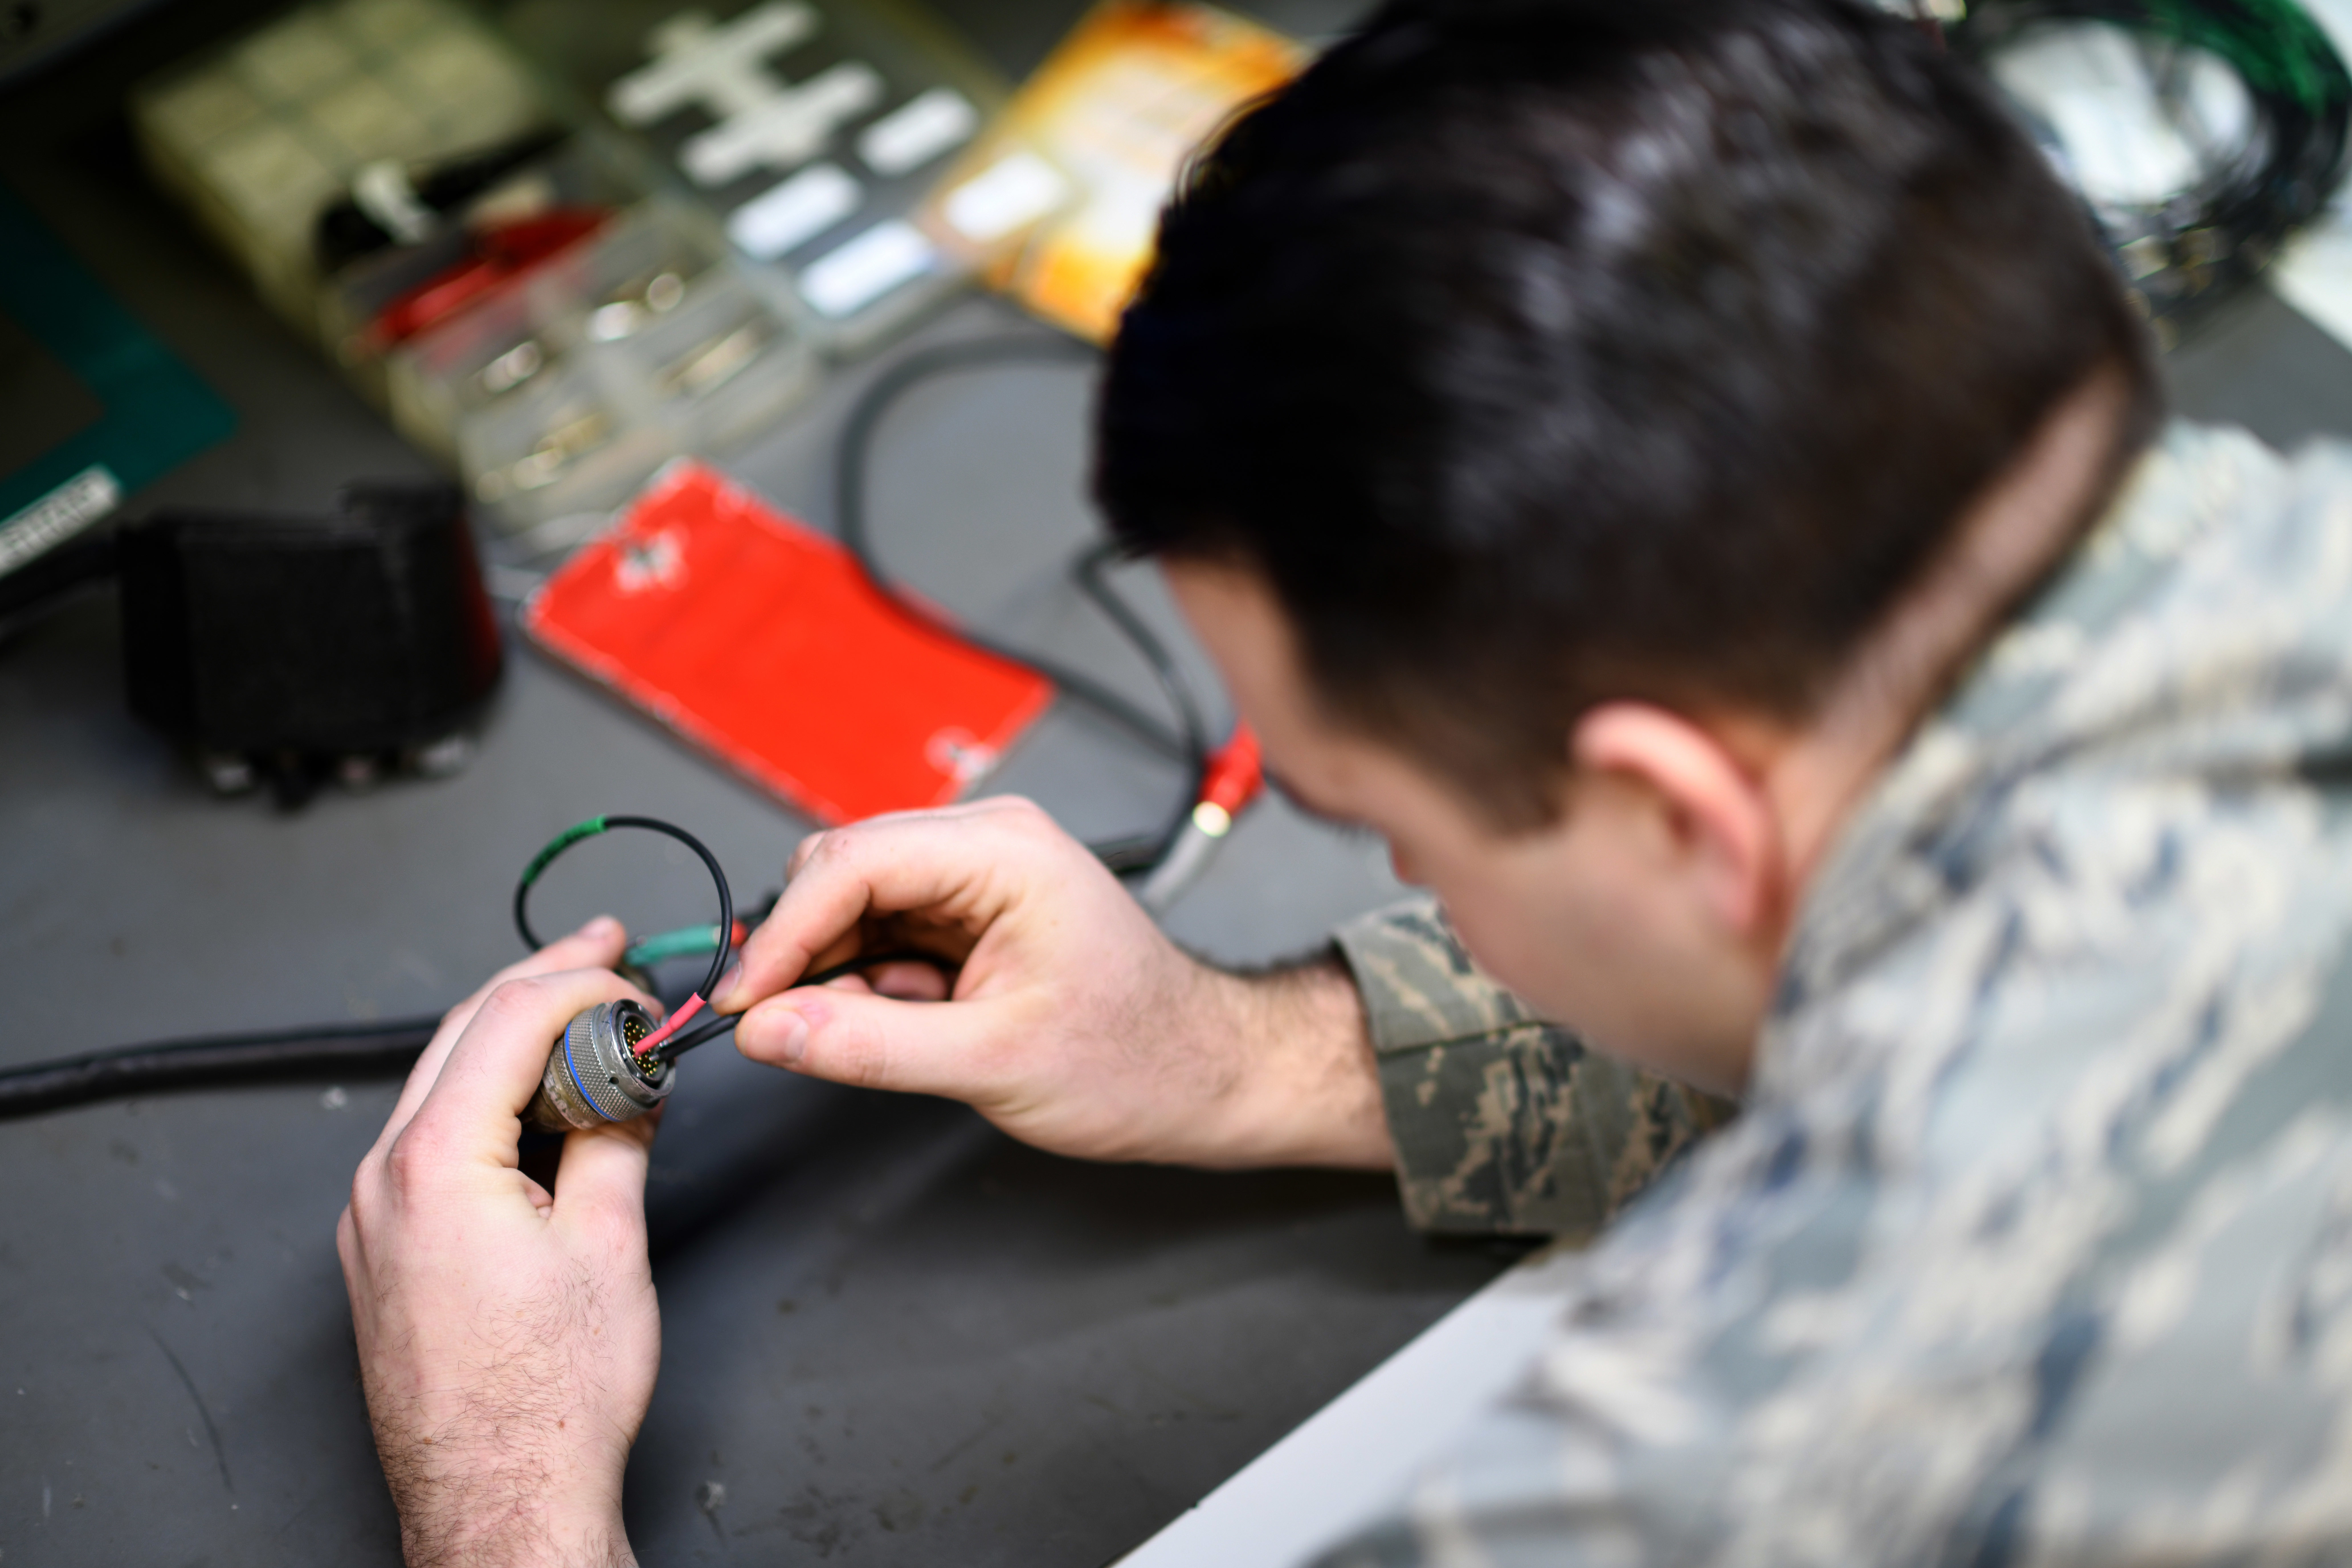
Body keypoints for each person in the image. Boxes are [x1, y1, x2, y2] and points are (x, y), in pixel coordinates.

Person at [336, 0, 2352, 1561]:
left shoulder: (1803, 1431)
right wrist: (1250, 1064)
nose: (1388, 861)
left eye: (1377, 809)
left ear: (1673, 814)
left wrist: (502, 1482)